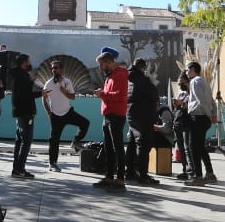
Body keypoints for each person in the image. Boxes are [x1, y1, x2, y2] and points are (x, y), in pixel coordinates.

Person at [91, 48, 128, 191]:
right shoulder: (111, 75)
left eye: (101, 65)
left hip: (116, 116)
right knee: (108, 148)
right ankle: (109, 177)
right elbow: (111, 93)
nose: (100, 68)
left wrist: (102, 94)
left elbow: (118, 96)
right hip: (108, 115)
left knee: (117, 147)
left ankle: (120, 180)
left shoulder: (119, 75)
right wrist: (103, 93)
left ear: (108, 62)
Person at [42, 60, 88, 172]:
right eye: (52, 68)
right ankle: (52, 164)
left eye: (56, 68)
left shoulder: (67, 82)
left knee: (85, 123)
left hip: (68, 112)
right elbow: (44, 98)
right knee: (54, 140)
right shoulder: (49, 83)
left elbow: (73, 97)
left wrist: (64, 92)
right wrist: (48, 111)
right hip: (55, 116)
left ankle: (75, 141)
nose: (54, 70)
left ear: (61, 69)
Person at [125, 58, 161, 185]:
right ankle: (143, 175)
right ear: (142, 68)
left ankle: (129, 172)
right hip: (143, 116)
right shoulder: (143, 80)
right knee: (144, 144)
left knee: (132, 144)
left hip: (131, 115)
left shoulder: (129, 79)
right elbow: (154, 94)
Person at [183, 62, 217, 185]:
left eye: (188, 69)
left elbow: (200, 100)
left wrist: (208, 115)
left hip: (198, 117)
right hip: (203, 118)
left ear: (193, 70)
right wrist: (213, 114)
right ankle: (210, 173)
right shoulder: (204, 82)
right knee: (200, 147)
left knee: (193, 147)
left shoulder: (195, 82)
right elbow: (212, 101)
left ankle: (198, 176)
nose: (186, 72)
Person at [9, 53, 38, 178]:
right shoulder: (23, 76)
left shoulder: (17, 75)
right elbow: (26, 95)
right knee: (26, 141)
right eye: (28, 61)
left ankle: (17, 168)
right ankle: (20, 168)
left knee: (19, 140)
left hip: (19, 112)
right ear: (24, 63)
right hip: (26, 112)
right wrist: (40, 92)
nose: (30, 63)